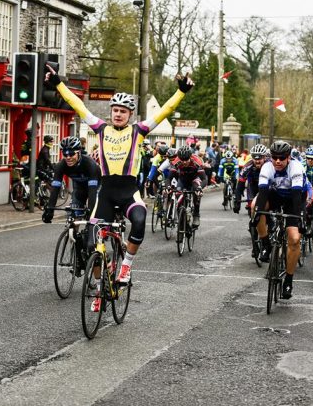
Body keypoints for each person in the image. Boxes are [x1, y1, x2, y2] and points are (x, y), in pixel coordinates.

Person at [45, 63, 194, 312]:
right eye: (114, 110)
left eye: (122, 111)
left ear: (130, 115)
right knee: (92, 244)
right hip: (105, 192)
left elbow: (164, 111)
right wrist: (58, 83)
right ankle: (98, 287)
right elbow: (78, 105)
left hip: (128, 192)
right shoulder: (100, 129)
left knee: (139, 218)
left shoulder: (139, 131)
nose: (117, 114)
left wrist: (180, 92)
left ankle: (126, 264)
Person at [252, 140, 304, 299]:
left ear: (289, 157)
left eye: (282, 158)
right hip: (274, 195)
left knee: (294, 239)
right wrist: (257, 215)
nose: (278, 161)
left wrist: (299, 218)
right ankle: (266, 243)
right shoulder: (267, 167)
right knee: (256, 207)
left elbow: (297, 196)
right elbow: (262, 193)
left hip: (293, 199)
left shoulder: (296, 167)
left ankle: (288, 279)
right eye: (274, 157)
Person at [42, 137, 101, 223]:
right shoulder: (61, 166)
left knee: (93, 219)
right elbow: (55, 190)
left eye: (71, 154)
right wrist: (50, 210)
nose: (68, 157)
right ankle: (73, 235)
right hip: (79, 188)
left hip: (96, 187)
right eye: (65, 155)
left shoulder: (90, 164)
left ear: (79, 153)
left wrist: (91, 211)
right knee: (74, 218)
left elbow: (92, 192)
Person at [167, 145, 206, 228]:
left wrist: (200, 187)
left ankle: (196, 214)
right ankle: (181, 224)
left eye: (186, 160)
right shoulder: (176, 162)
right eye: (182, 160)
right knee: (178, 197)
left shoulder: (196, 161)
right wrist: (168, 186)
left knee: (196, 191)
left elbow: (204, 178)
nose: (184, 162)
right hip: (183, 180)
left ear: (190, 157)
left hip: (195, 179)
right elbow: (169, 178)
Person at [234, 144, 270, 215]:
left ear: (265, 157)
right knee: (251, 208)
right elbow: (240, 185)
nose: (257, 161)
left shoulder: (270, 164)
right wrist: (237, 201)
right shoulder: (248, 166)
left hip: (268, 186)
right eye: (255, 158)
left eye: (260, 158)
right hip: (253, 185)